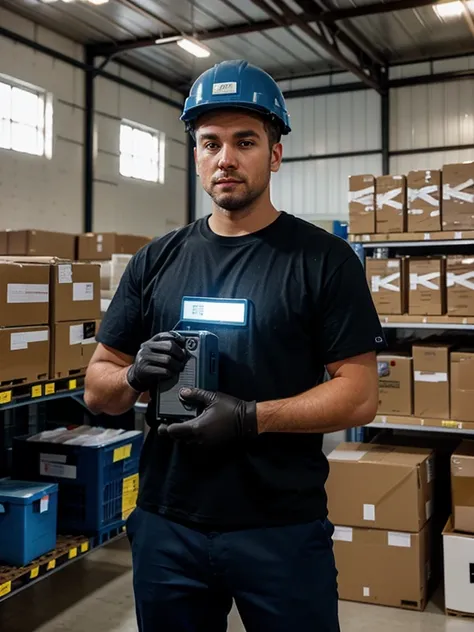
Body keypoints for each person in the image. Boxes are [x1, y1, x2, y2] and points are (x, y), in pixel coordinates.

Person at [85, 59, 385, 632]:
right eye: (210, 143)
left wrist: (249, 418)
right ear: (196, 155)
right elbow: (99, 386)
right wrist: (130, 377)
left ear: (274, 153)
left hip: (280, 529)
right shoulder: (157, 259)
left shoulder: (323, 261)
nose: (226, 158)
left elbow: (360, 394)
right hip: (167, 524)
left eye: (245, 141)